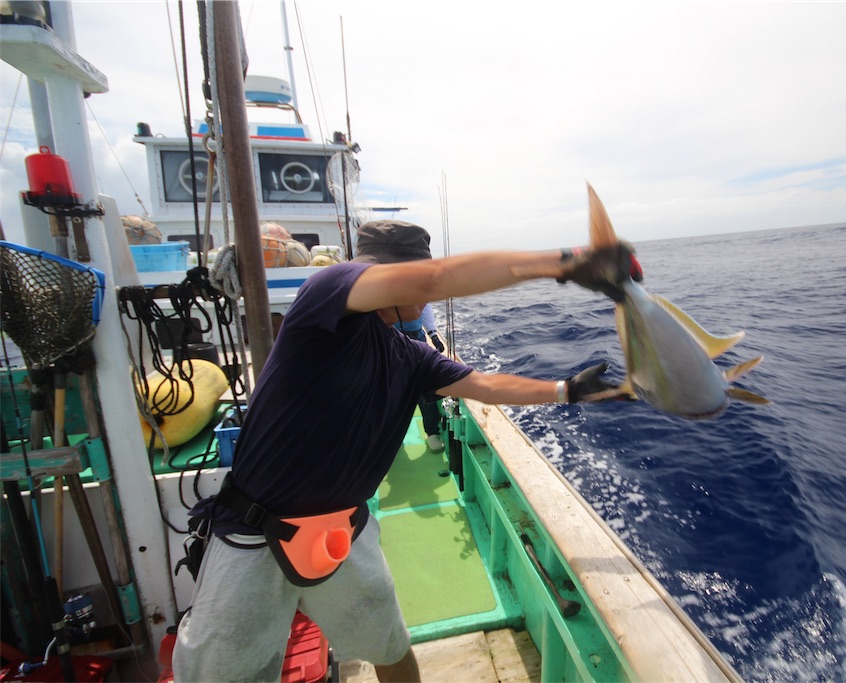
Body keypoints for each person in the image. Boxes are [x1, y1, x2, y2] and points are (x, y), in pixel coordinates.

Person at [172, 220, 640, 683]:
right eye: (410, 275)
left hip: (342, 532)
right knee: (221, 675)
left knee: (390, 646)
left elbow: (484, 385)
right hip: (254, 531)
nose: (426, 295)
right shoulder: (327, 290)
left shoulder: (411, 355)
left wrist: (565, 390)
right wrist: (568, 262)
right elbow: (432, 279)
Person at [391, 302, 446, 451]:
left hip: (416, 337)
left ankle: (432, 432)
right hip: (388, 338)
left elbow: (424, 305)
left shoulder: (417, 289)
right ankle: (392, 436)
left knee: (423, 384)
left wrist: (433, 334)